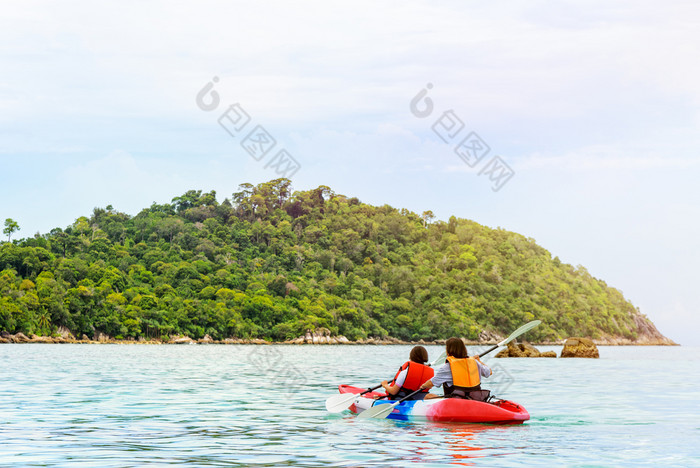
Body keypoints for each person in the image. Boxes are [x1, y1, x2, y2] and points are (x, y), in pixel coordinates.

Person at [420, 337, 492, 400]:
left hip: (456, 401)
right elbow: (489, 372)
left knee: (428, 396)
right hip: (475, 399)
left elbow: (432, 383)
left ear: (448, 352)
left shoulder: (447, 367)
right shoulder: (475, 362)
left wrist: (423, 386)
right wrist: (479, 361)